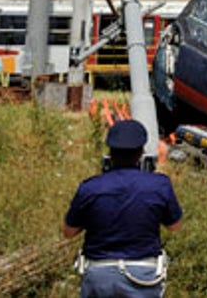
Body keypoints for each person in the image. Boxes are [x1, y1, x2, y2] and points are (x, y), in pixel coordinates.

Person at [64, 119, 183, 297]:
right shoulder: (159, 185)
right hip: (142, 274)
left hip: (99, 274)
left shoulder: (90, 188)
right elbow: (175, 226)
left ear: (110, 153)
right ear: (141, 151)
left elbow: (69, 232)